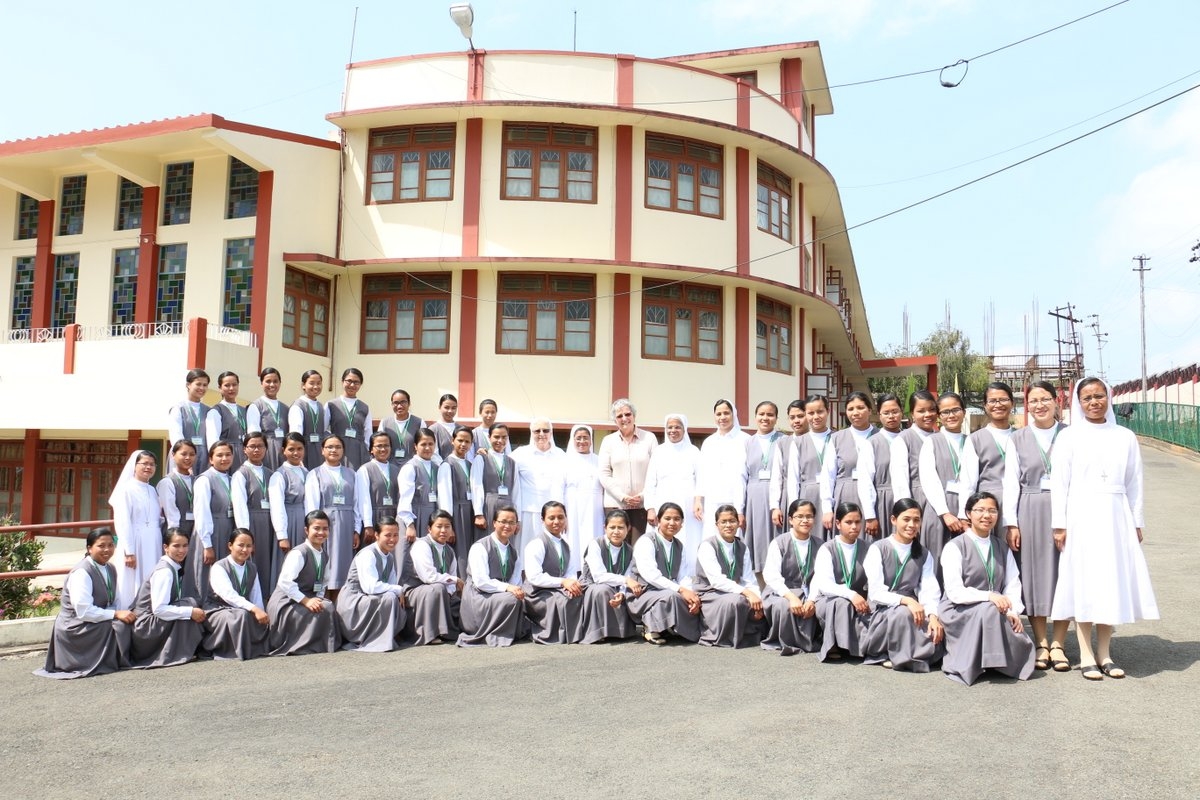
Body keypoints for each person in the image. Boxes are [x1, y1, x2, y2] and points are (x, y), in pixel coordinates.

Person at [1050, 377, 1159, 680]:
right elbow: (1059, 484)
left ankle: (1105, 653)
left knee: (1110, 581)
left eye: (1099, 396)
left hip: (1115, 516)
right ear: (1078, 402)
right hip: (1080, 516)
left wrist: (1136, 521)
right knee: (1085, 581)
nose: (1094, 402)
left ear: (1108, 398)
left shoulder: (1125, 436)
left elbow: (1135, 481)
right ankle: (1086, 654)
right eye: (1087, 398)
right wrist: (1059, 524)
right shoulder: (1069, 437)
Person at [1002, 380, 1071, 671]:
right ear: (1026, 406)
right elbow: (1010, 483)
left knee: (1064, 573)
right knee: (1033, 574)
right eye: (1033, 401)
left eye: (1045, 399)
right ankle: (1041, 642)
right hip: (1029, 509)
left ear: (1056, 401)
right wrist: (1011, 523)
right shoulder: (1017, 438)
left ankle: (1059, 644)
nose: (1039, 405)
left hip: (1067, 510)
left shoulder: (1071, 435)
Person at [939, 492, 1034, 685]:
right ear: (968, 513)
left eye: (992, 511)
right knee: (990, 610)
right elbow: (955, 591)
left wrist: (1013, 611)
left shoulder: (1002, 547)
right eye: (980, 510)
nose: (986, 515)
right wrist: (989, 596)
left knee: (993, 611)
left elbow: (1013, 583)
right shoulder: (954, 547)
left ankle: (993, 660)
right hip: (959, 608)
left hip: (997, 607)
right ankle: (992, 661)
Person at [35, 528, 135, 679]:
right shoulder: (81, 572)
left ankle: (117, 660)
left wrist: (123, 612)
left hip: (94, 618)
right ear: (89, 548)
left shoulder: (110, 568)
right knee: (118, 626)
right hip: (76, 625)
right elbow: (84, 611)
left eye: (110, 545)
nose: (107, 550)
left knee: (129, 621)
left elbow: (114, 600)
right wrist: (115, 614)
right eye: (101, 546)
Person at [863, 499, 944, 672]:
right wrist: (906, 601)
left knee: (938, 620)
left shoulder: (924, 553)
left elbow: (929, 589)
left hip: (913, 607)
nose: (911, 525)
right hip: (882, 608)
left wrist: (933, 615)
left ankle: (914, 653)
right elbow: (875, 592)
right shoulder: (878, 548)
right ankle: (903, 656)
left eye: (916, 520)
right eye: (906, 519)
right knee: (902, 614)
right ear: (893, 520)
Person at [917, 391, 979, 574]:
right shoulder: (931, 442)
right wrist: (945, 513)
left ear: (964, 412)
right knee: (935, 559)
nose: (951, 415)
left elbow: (972, 479)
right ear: (939, 415)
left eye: (955, 410)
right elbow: (929, 479)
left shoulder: (971, 441)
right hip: (938, 510)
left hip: (967, 511)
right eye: (945, 412)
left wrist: (964, 514)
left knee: (965, 561)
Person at [268, 510, 342, 656]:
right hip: (287, 601)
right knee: (326, 607)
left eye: (325, 529)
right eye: (316, 528)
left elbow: (323, 582)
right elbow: (285, 583)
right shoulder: (298, 553)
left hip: (308, 598)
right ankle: (302, 645)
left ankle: (317, 644)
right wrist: (306, 601)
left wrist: (318, 598)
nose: (321, 532)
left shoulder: (324, 555)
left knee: (325, 605)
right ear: (306, 530)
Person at [130, 529, 206, 669]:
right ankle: (176, 653)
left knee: (189, 603)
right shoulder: (164, 571)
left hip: (152, 619)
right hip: (146, 624)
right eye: (176, 546)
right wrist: (190, 612)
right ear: (166, 547)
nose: (181, 550)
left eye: (185, 545)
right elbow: (159, 609)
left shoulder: (172, 566)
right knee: (189, 608)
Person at [628, 502, 702, 644]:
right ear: (658, 520)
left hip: (667, 589)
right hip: (642, 592)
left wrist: (690, 594)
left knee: (692, 597)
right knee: (672, 596)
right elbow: (651, 575)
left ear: (682, 523)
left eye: (677, 519)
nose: (672, 523)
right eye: (667, 518)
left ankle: (669, 627)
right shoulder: (647, 541)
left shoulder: (679, 545)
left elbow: (683, 576)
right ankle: (650, 627)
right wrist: (681, 590)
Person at [457, 506, 529, 647]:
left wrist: (514, 590)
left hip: (500, 595)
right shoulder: (480, 547)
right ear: (494, 523)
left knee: (523, 597)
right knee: (512, 599)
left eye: (512, 522)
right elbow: (481, 582)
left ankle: (508, 632)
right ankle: (498, 634)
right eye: (503, 521)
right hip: (478, 596)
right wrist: (508, 588)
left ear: (516, 526)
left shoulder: (514, 552)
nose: (507, 526)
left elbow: (515, 582)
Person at [694, 505, 764, 648]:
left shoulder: (742, 547)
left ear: (738, 523)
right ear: (717, 525)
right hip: (710, 592)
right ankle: (726, 637)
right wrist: (747, 593)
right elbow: (716, 581)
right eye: (723, 522)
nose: (728, 525)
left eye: (732, 521)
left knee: (763, 599)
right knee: (738, 601)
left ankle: (751, 635)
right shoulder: (708, 546)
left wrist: (757, 598)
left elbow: (748, 579)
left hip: (735, 591)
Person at [643, 413, 703, 578]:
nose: (673, 430)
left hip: (687, 505)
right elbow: (650, 482)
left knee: (688, 540)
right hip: (663, 502)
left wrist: (698, 501)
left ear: (684, 429)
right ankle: (662, 575)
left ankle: (688, 577)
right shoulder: (659, 451)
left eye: (677, 427)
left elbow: (701, 479)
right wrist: (650, 508)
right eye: (670, 427)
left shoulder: (693, 451)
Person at [336, 516, 408, 652]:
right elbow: (370, 587)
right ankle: (378, 639)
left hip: (370, 598)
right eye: (388, 535)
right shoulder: (368, 554)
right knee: (390, 597)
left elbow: (391, 583)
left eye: (395, 535)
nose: (392, 539)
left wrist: (397, 591)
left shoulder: (390, 557)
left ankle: (387, 636)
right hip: (354, 601)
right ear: (376, 535)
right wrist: (398, 589)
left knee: (395, 596)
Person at [811, 502, 871, 661]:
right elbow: (825, 585)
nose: (854, 527)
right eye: (848, 522)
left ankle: (859, 645)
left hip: (859, 601)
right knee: (840, 603)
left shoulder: (868, 548)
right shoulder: (827, 548)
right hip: (829, 600)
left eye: (857, 522)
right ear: (838, 524)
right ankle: (834, 644)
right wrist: (851, 595)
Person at [760, 499, 820, 655]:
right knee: (783, 605)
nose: (805, 520)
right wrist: (791, 597)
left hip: (811, 592)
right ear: (791, 520)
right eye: (800, 516)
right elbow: (771, 576)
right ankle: (788, 643)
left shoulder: (820, 545)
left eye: (809, 516)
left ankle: (815, 641)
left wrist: (812, 599)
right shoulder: (779, 543)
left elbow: (820, 577)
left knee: (821, 605)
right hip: (781, 591)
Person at [304, 434, 361, 595]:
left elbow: (357, 503)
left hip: (346, 525)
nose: (334, 450)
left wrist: (357, 529)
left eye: (338, 447)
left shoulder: (352, 474)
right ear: (322, 450)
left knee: (343, 568)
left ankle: (341, 603)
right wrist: (315, 529)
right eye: (329, 447)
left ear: (343, 450)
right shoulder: (315, 474)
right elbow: (311, 506)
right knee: (326, 567)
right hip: (325, 525)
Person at [521, 501, 585, 644]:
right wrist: (563, 582)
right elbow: (534, 577)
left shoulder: (565, 543)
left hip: (558, 588)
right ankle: (560, 635)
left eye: (561, 517)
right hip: (537, 592)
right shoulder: (536, 544)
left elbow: (570, 571)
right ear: (543, 520)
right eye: (551, 518)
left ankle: (578, 633)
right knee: (564, 600)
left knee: (580, 594)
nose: (557, 522)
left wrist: (571, 584)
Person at [202, 528, 270, 661]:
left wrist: (260, 612)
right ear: (230, 545)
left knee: (258, 619)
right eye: (241, 545)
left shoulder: (252, 567)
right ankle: (231, 651)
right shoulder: (219, 567)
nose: (245, 550)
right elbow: (228, 594)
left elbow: (256, 595)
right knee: (241, 615)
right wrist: (254, 609)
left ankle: (255, 649)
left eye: (249, 546)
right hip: (218, 609)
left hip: (242, 608)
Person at [598, 398, 657, 541]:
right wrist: (622, 496)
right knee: (616, 546)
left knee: (640, 546)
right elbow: (604, 474)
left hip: (642, 506)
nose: (624, 418)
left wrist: (642, 496)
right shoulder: (608, 441)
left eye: (628, 414)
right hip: (615, 505)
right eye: (619, 416)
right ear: (615, 420)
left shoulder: (649, 438)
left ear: (634, 416)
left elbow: (656, 471)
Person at [578, 509, 641, 644]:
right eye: (612, 527)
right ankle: (597, 632)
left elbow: (628, 575)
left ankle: (618, 631)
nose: (616, 531)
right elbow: (598, 576)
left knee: (630, 591)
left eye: (620, 527)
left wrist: (622, 593)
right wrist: (625, 581)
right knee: (602, 590)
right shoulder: (596, 544)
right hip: (592, 585)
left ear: (628, 529)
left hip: (617, 587)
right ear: (605, 528)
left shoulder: (630, 551)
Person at [110, 449, 162, 610]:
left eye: (152, 464)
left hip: (153, 540)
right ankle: (129, 610)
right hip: (134, 540)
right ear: (134, 465)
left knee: (151, 576)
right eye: (144, 463)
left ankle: (148, 609)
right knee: (131, 579)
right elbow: (123, 521)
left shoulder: (152, 489)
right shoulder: (126, 489)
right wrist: (129, 551)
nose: (148, 467)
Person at [404, 510, 463, 645]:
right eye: (439, 526)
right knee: (437, 588)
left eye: (447, 527)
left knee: (464, 601)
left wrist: (449, 592)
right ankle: (428, 634)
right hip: (416, 591)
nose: (443, 530)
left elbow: (452, 579)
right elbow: (428, 577)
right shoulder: (422, 545)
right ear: (429, 529)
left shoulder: (449, 551)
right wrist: (454, 581)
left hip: (441, 592)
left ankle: (449, 631)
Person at [783, 394, 837, 537]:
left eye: (820, 412)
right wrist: (795, 508)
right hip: (808, 497)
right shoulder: (798, 442)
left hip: (834, 495)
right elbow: (793, 478)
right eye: (811, 413)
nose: (816, 417)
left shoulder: (837, 438)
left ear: (828, 411)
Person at [694, 399, 748, 542]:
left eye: (726, 413)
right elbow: (702, 473)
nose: (722, 417)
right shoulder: (709, 442)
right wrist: (698, 500)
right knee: (711, 540)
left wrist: (741, 509)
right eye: (718, 414)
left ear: (733, 414)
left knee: (734, 540)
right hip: (712, 500)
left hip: (736, 501)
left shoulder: (745, 440)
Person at [189, 441, 237, 600]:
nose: (224, 458)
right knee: (208, 569)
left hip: (228, 528)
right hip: (211, 530)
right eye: (219, 455)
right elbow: (201, 512)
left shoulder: (232, 479)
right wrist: (207, 545)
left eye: (228, 455)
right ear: (211, 459)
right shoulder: (205, 480)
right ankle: (204, 602)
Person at [231, 432, 274, 600]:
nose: (256, 450)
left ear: (266, 449)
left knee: (268, 564)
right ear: (244, 449)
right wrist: (245, 534)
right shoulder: (241, 474)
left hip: (269, 523)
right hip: (252, 522)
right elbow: (240, 505)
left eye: (260, 446)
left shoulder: (271, 473)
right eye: (252, 446)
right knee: (254, 562)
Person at [511, 418, 566, 548]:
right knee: (526, 548)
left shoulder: (561, 455)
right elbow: (502, 464)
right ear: (531, 433)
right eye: (537, 431)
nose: (541, 434)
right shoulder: (520, 453)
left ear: (551, 432)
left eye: (545, 430)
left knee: (550, 549)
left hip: (552, 514)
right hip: (527, 512)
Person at [743, 401, 783, 577]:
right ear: (755, 416)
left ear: (776, 418)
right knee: (757, 539)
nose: (765, 418)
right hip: (753, 496)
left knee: (777, 536)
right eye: (761, 414)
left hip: (778, 494)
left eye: (770, 414)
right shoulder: (747, 442)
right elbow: (741, 474)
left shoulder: (784, 440)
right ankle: (759, 581)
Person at [856, 393, 903, 540]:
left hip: (907, 501)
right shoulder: (871, 443)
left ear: (902, 412)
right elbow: (865, 481)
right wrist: (870, 516)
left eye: (895, 411)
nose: (891, 416)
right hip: (882, 502)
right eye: (886, 413)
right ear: (879, 415)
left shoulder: (908, 438)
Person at [830, 391, 877, 537]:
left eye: (860, 408)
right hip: (845, 494)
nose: (855, 413)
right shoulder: (836, 438)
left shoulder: (879, 436)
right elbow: (829, 474)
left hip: (875, 495)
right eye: (850, 409)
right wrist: (827, 508)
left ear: (870, 410)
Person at [397, 428, 450, 551]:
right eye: (423, 444)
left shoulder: (437, 467)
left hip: (432, 517)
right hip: (414, 516)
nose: (427, 448)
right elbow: (405, 499)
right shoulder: (410, 467)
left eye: (431, 444)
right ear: (415, 446)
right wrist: (410, 525)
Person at [268, 432, 309, 589]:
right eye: (291, 449)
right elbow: (277, 506)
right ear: (283, 451)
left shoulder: (307, 472)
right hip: (289, 521)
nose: (296, 453)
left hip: (304, 521)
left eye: (299, 449)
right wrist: (282, 535)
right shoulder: (279, 475)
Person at [564, 424, 605, 576]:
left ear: (591, 440)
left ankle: (592, 573)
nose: (582, 441)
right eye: (578, 438)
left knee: (593, 538)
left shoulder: (599, 460)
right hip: (572, 507)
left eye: (586, 438)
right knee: (573, 540)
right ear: (573, 440)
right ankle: (574, 574)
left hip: (594, 507)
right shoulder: (565, 461)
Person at [471, 423, 520, 543]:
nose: (500, 441)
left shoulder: (512, 462)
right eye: (496, 437)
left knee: (506, 543)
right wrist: (478, 513)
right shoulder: (481, 458)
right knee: (488, 542)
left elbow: (516, 491)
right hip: (489, 506)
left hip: (508, 507)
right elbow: (476, 486)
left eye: (504, 437)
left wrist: (517, 519)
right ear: (489, 437)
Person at [438, 425, 477, 575]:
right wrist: (449, 525)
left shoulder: (470, 464)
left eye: (467, 441)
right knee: (459, 551)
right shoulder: (447, 464)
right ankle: (459, 583)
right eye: (460, 440)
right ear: (452, 440)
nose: (463, 444)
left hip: (469, 511)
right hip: (456, 513)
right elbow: (445, 496)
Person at [971, 382, 1015, 507]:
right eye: (992, 401)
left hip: (1019, 502)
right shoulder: (975, 439)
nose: (998, 405)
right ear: (985, 405)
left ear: (1012, 403)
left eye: (1003, 400)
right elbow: (969, 482)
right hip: (988, 506)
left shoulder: (1021, 436)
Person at [357, 432, 400, 547]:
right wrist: (368, 525)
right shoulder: (365, 470)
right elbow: (364, 499)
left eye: (386, 445)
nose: (383, 449)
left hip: (393, 517)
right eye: (379, 446)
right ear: (371, 449)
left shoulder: (396, 469)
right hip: (375, 517)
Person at [168, 368, 211, 474]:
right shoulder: (178, 409)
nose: (202, 388)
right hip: (184, 455)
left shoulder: (209, 410)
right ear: (188, 385)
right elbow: (176, 436)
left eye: (205, 385)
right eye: (198, 384)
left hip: (203, 456)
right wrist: (185, 458)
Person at [327, 368, 371, 471]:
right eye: (349, 381)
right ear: (342, 381)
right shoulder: (331, 405)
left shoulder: (365, 407)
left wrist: (368, 453)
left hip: (358, 451)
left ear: (360, 384)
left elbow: (368, 433)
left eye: (356, 382)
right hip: (337, 449)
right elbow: (324, 430)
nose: (352, 385)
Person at [248, 366, 289, 470]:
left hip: (284, 450)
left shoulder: (286, 408)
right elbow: (254, 433)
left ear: (280, 383)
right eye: (268, 381)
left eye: (275, 381)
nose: (272, 385)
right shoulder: (256, 406)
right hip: (266, 450)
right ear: (262, 383)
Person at [206, 371, 249, 471]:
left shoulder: (243, 410)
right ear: (220, 388)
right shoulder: (216, 411)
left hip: (243, 454)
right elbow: (213, 440)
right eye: (227, 385)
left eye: (234, 384)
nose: (231, 388)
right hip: (227, 455)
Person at [288, 369, 328, 469]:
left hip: (319, 450)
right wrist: (297, 455)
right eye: (312, 383)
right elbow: (295, 434)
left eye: (319, 383)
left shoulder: (320, 406)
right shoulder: (298, 406)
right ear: (303, 385)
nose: (316, 386)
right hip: (305, 450)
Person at [158, 439, 197, 541]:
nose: (188, 457)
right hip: (176, 533)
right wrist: (175, 537)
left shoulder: (197, 480)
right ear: (173, 455)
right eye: (183, 454)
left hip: (195, 531)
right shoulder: (167, 482)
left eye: (192, 454)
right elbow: (171, 514)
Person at [378, 388, 422, 470]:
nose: (399, 406)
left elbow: (423, 445)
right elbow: (379, 444)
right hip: (389, 467)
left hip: (412, 467)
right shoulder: (385, 423)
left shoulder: (419, 422)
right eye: (396, 403)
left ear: (409, 403)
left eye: (403, 402)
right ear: (392, 404)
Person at [430, 393, 459, 461]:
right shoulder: (433, 429)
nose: (450, 411)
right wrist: (445, 466)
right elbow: (434, 455)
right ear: (439, 407)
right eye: (446, 407)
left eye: (453, 408)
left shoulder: (461, 429)